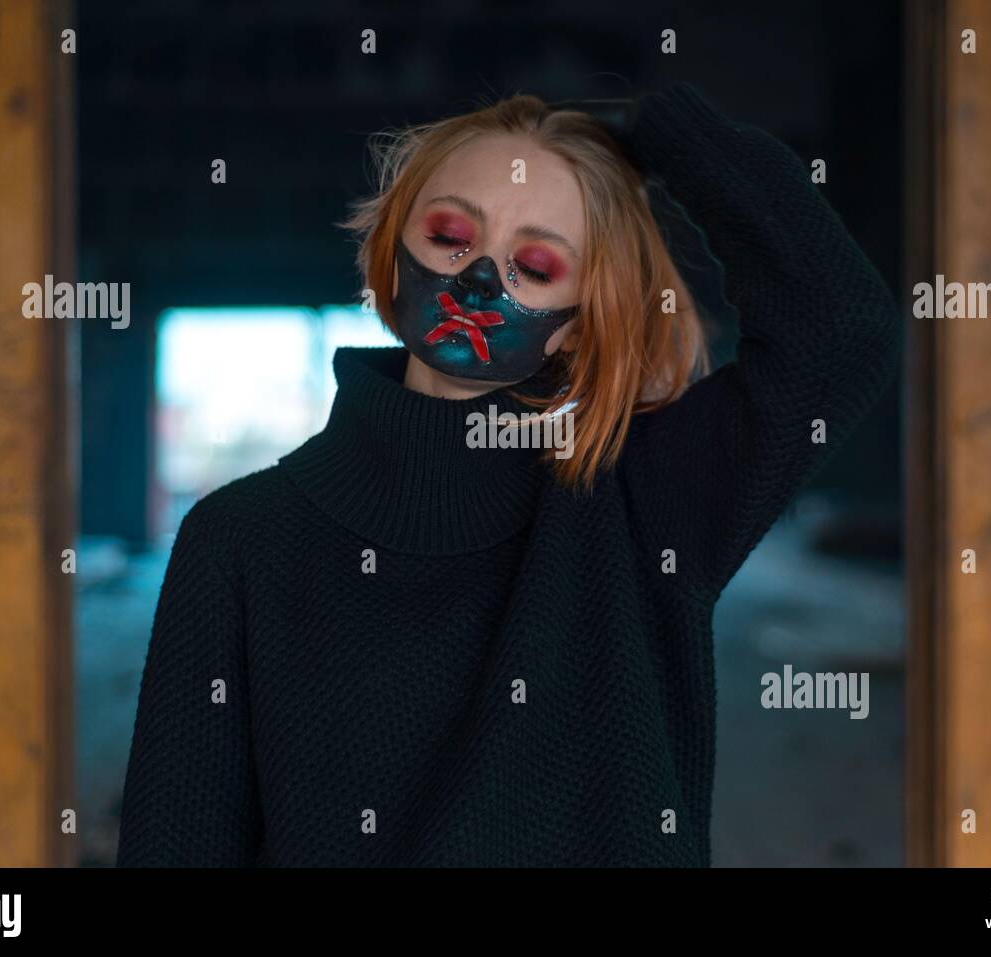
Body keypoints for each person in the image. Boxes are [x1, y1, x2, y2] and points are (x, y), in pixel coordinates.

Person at [116, 82, 901, 866]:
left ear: (574, 326)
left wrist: (667, 132)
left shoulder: (646, 503)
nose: (479, 280)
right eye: (453, 233)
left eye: (532, 263)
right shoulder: (241, 540)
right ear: (393, 252)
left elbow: (840, 330)